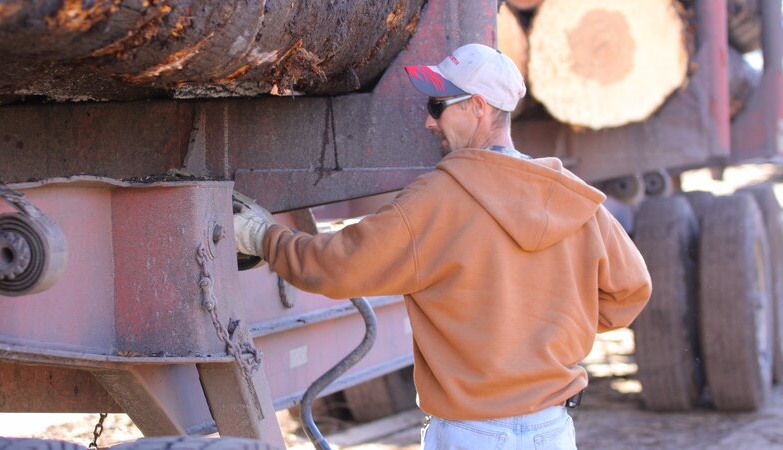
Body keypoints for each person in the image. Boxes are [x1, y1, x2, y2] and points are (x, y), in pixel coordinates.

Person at [234, 43, 651, 449]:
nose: (428, 122)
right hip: (552, 430)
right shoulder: (576, 200)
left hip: (472, 434)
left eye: (438, 106)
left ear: (479, 106)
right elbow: (629, 292)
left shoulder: (437, 199)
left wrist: (263, 237)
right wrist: (545, 328)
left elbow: (335, 267)